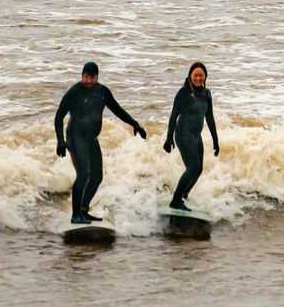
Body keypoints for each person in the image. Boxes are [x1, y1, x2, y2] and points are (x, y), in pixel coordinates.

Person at [54, 62, 146, 224]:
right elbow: (59, 116)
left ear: (97, 77)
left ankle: (83, 210)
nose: (89, 80)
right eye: (86, 77)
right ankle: (75, 215)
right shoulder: (74, 92)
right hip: (75, 137)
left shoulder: (102, 92)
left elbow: (117, 110)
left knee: (97, 177)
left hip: (91, 139)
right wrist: (60, 141)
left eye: (92, 77)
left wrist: (135, 123)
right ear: (82, 76)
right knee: (83, 174)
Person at [163, 62, 219, 211]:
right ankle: (175, 200)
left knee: (199, 169)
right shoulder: (183, 93)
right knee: (193, 167)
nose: (198, 78)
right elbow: (173, 116)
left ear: (206, 76)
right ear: (190, 76)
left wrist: (215, 140)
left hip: (196, 135)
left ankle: (183, 195)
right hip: (182, 134)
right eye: (195, 75)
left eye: (201, 75)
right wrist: (168, 138)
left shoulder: (207, 94)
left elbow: (210, 118)